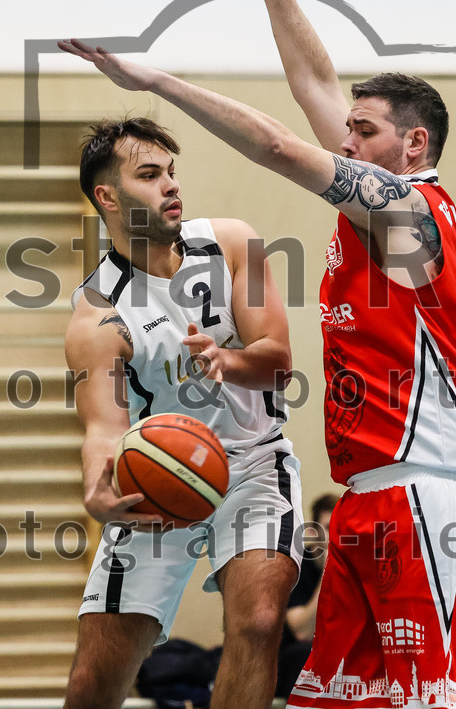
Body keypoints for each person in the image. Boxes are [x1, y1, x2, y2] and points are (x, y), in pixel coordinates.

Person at [58, 0, 456, 698]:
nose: (342, 136)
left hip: (427, 487)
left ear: (411, 145)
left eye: (360, 132)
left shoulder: (407, 210)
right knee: (336, 692)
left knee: (437, 693)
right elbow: (312, 80)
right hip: (368, 494)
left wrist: (156, 83)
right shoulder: (373, 195)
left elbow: (275, 142)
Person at [63, 117, 304, 709]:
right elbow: (104, 429)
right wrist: (97, 487)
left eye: (173, 172)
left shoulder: (232, 243)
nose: (171, 185)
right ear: (108, 196)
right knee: (94, 683)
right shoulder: (97, 316)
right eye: (150, 174)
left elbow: (277, 361)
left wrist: (228, 360)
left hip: (251, 463)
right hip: (157, 483)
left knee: (261, 620)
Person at [277, 493, 338, 697]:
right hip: (290, 657)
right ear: (313, 532)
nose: (337, 533)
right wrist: (329, 572)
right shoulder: (297, 565)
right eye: (330, 527)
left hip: (333, 651)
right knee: (306, 653)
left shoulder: (355, 568)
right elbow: (302, 631)